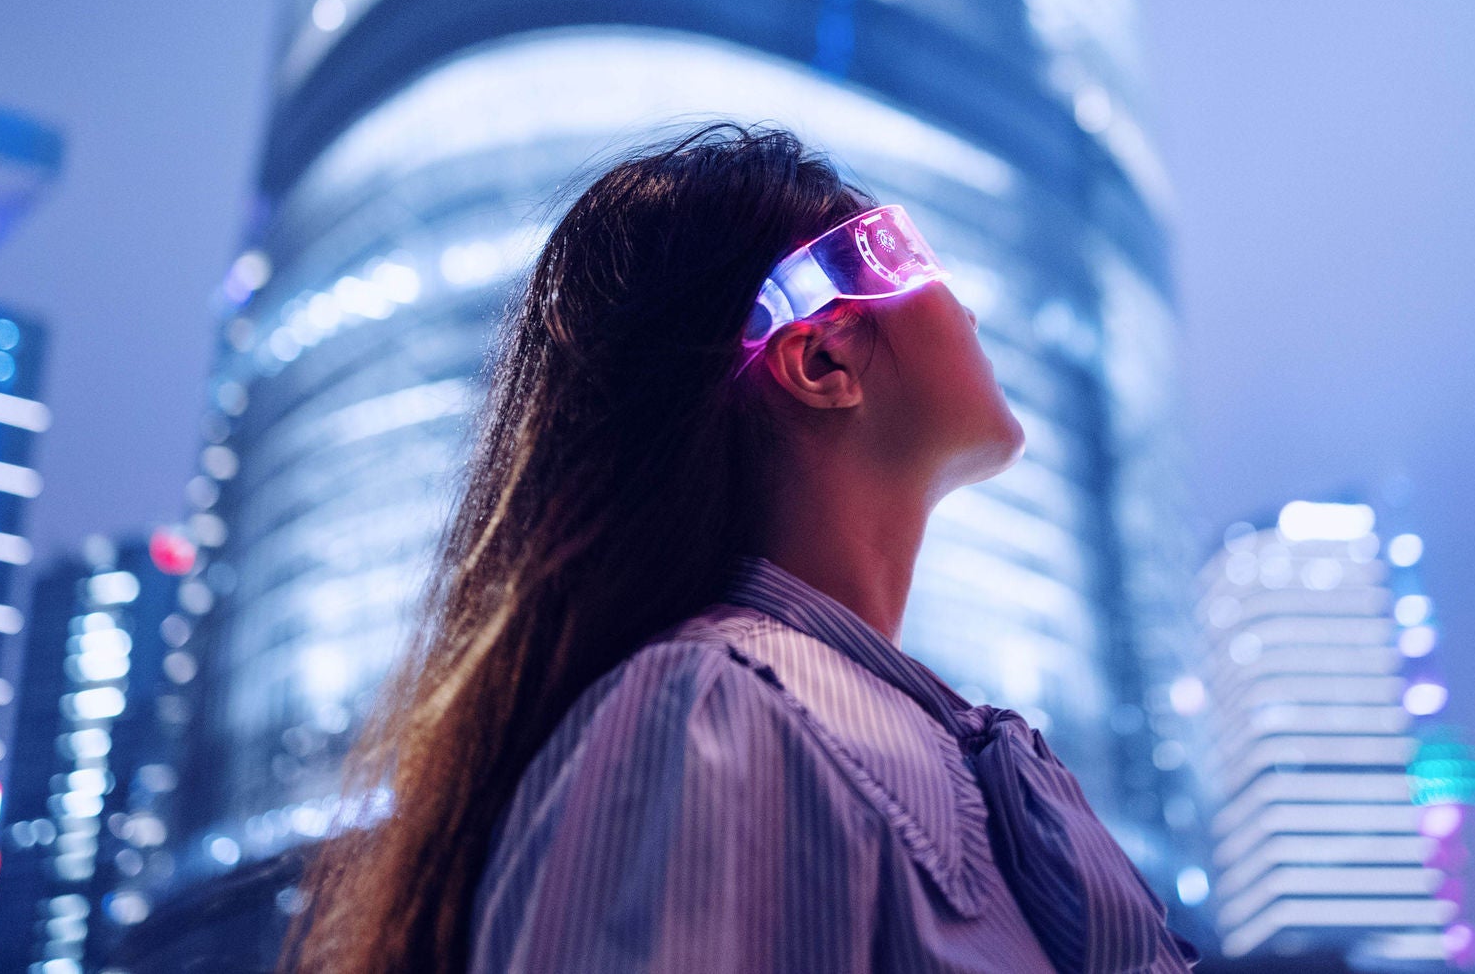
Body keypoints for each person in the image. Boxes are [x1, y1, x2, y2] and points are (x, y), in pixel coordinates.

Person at [288, 126, 1197, 974]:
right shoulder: (709, 710)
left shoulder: (865, 732)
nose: (960, 300)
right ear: (819, 363)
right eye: (903, 255)